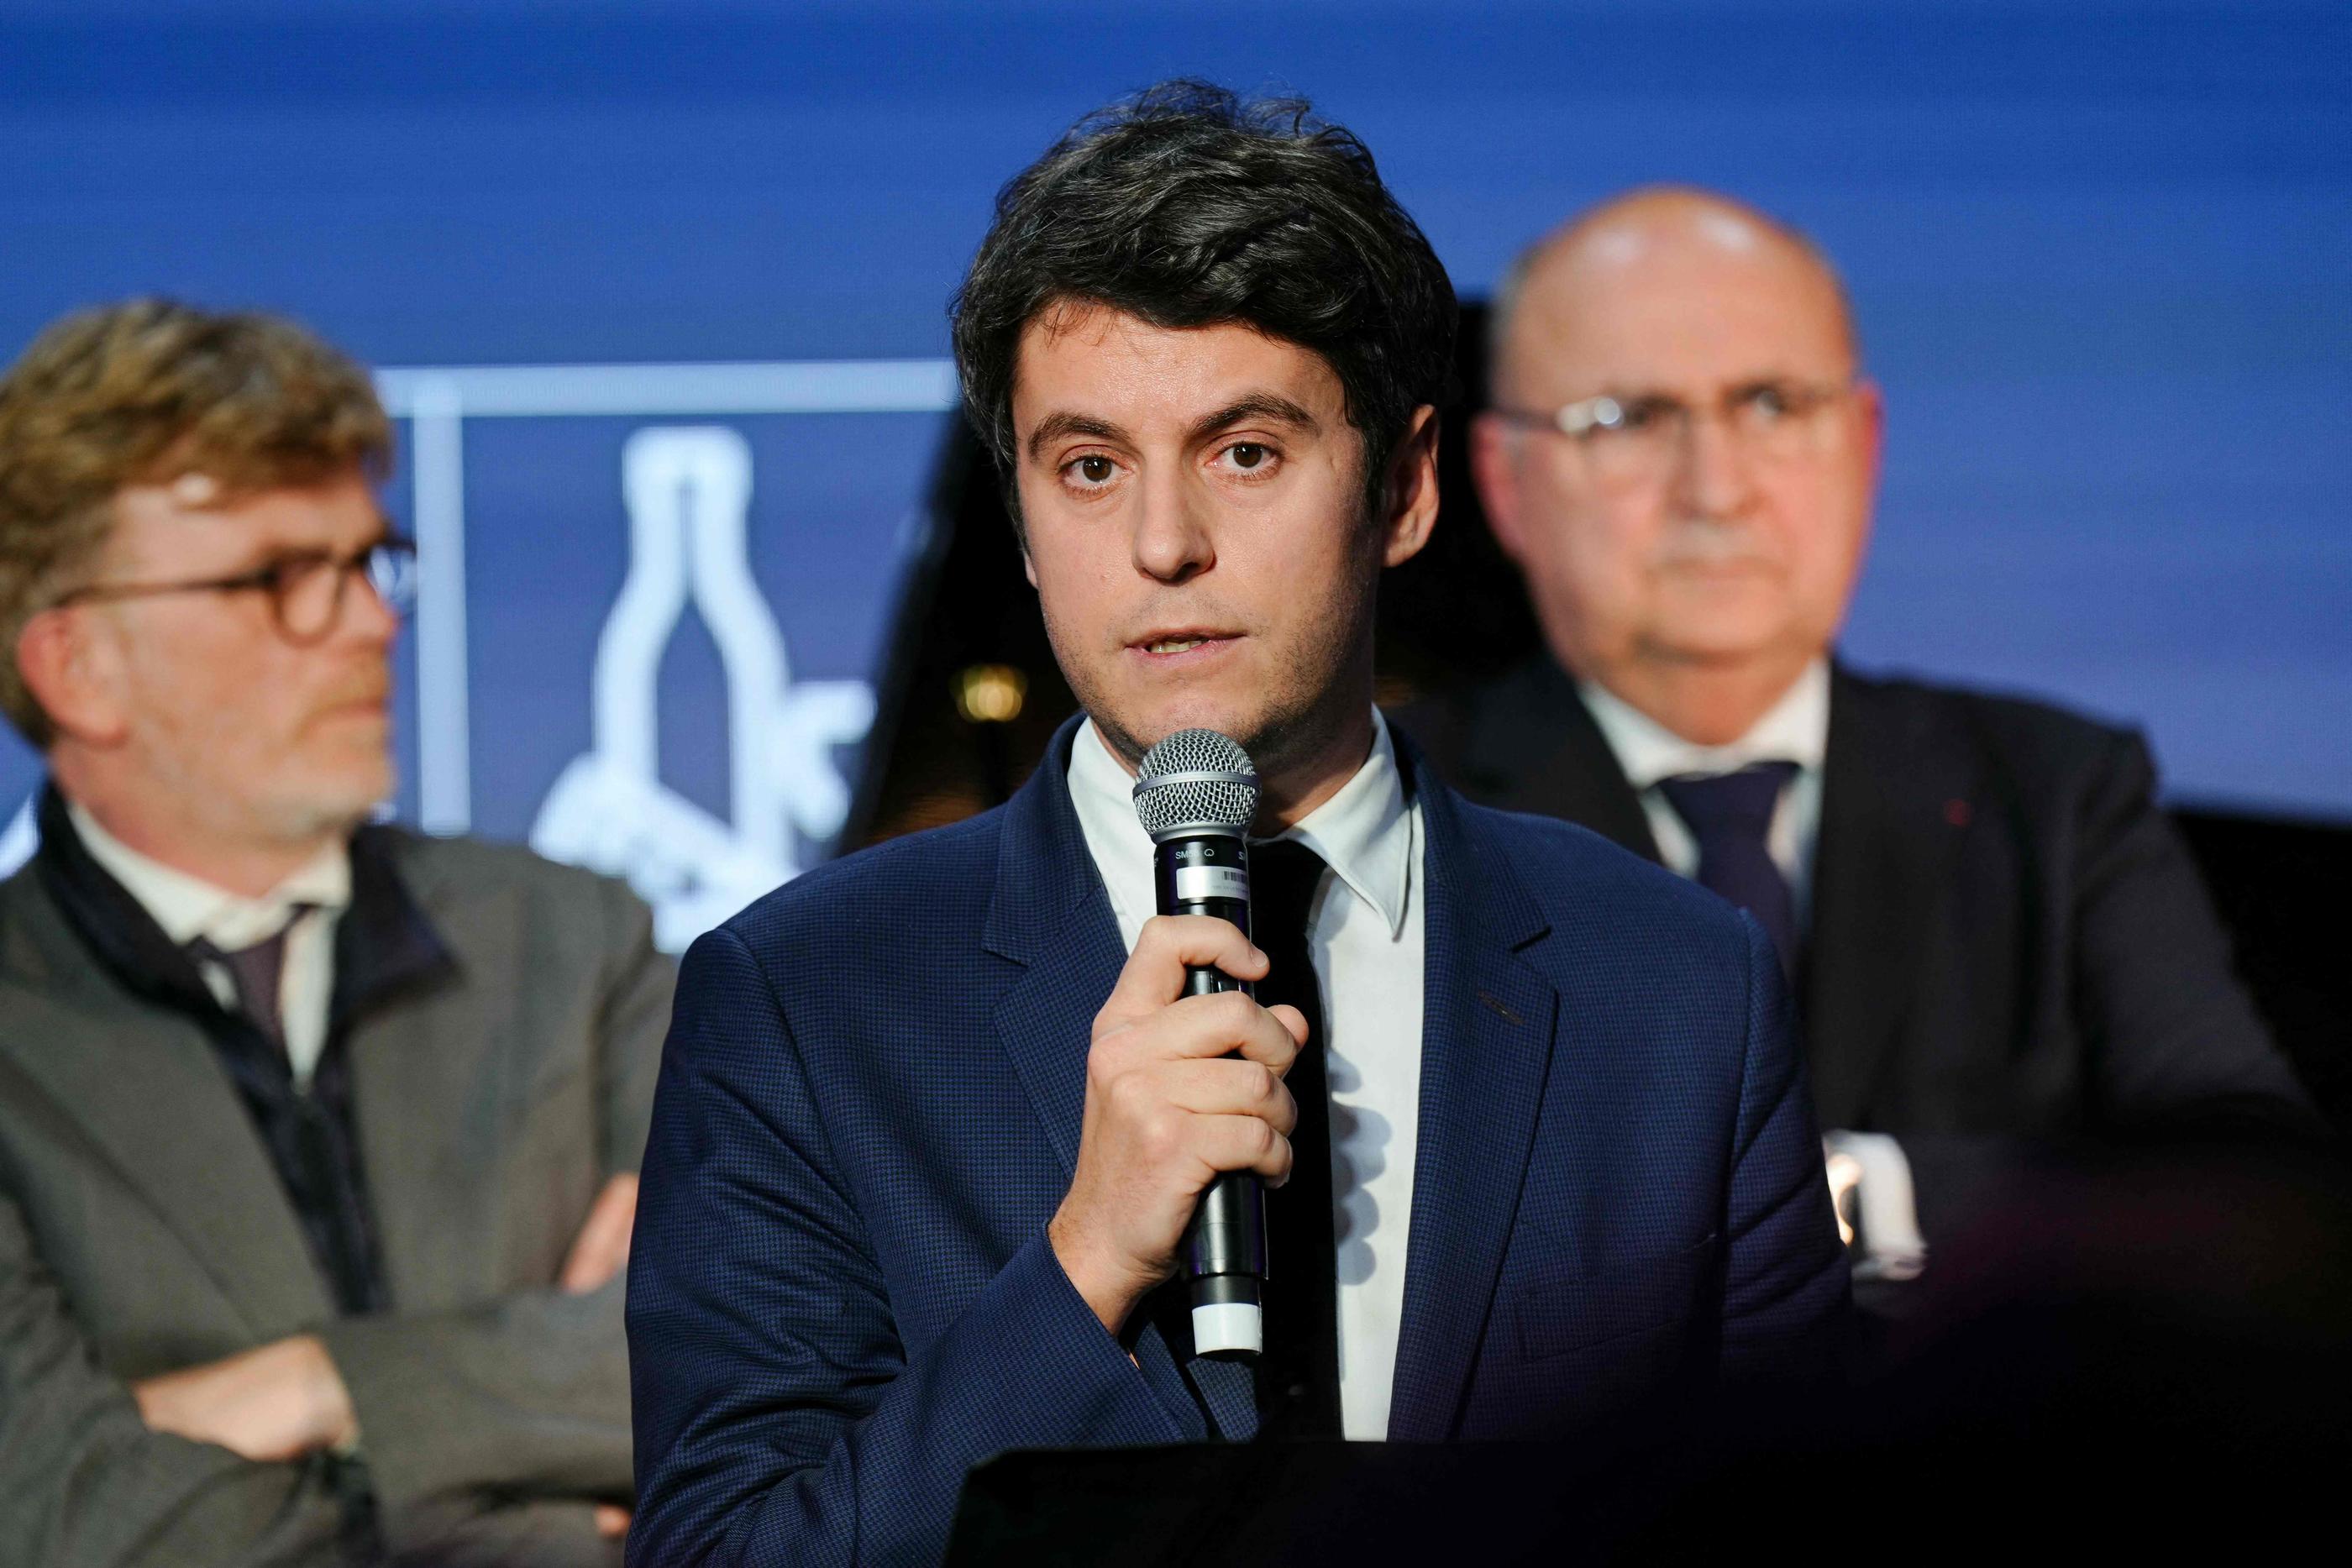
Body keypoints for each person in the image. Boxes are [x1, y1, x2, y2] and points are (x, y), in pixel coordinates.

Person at [627, 86, 1848, 1568]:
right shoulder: (807, 999)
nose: (1162, 545)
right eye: (1088, 468)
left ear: (1401, 489)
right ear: (1018, 517)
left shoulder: (1676, 987)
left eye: (1245, 451)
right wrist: (1083, 1259)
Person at [1405, 186, 2320, 1264]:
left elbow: (2253, 1177)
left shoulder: (2056, 787)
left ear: (1862, 444)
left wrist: (1851, 1193)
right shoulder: (1409, 798)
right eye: (1630, 419)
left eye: (1772, 405)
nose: (1716, 489)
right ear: (1503, 482)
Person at [0, 301, 675, 1565]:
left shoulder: (576, 944)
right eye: (279, 579)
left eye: (368, 560)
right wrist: (534, 1517)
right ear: (77, 664)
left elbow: (769, 1347)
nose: (373, 620)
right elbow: (60, 1514)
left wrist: (314, 1385)